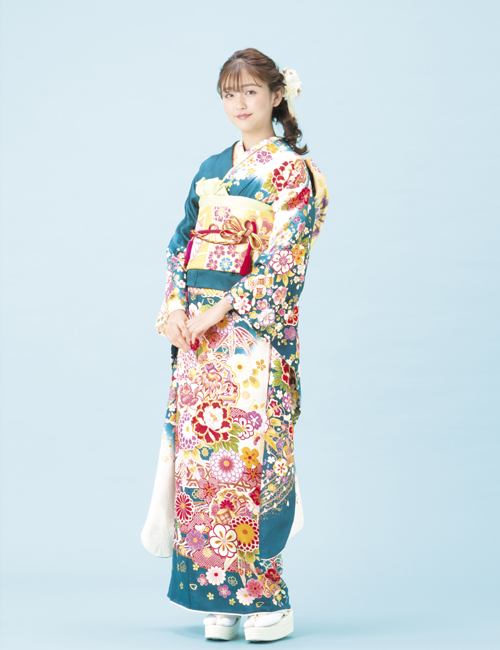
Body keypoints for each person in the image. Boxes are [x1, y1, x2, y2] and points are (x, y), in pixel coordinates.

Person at [141, 47, 329, 643]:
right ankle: (216, 597)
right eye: (229, 93)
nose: (239, 104)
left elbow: (285, 261)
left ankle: (265, 599)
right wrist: (176, 310)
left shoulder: (293, 173)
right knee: (201, 466)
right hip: (198, 342)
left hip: (251, 340)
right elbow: (180, 245)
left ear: (276, 96)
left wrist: (220, 308)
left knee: (250, 464)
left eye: (250, 91)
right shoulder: (209, 168)